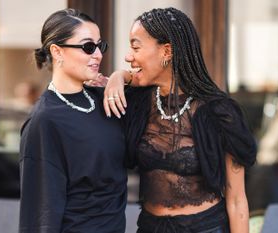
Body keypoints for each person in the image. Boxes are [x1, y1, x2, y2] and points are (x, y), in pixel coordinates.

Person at [104, 7, 256, 233]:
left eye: (136, 47)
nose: (128, 56)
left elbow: (236, 201)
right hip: (149, 227)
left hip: (205, 228)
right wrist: (118, 76)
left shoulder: (218, 112)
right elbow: (126, 79)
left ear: (166, 52)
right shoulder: (138, 102)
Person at [19, 9, 127, 233]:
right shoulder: (44, 120)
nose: (98, 54)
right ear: (57, 52)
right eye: (88, 47)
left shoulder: (104, 99)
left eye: (100, 46)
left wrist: (121, 77)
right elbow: (40, 212)